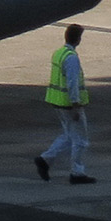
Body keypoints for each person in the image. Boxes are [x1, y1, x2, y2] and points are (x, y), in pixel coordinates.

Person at [36, 23, 96, 184]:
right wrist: (76, 105)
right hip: (70, 105)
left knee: (69, 136)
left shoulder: (59, 53)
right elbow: (72, 82)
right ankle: (77, 173)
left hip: (58, 102)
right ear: (78, 39)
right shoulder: (71, 58)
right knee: (81, 140)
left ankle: (45, 159)